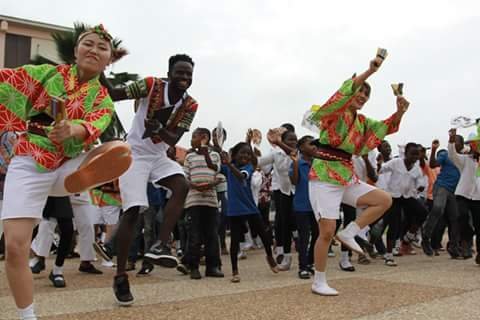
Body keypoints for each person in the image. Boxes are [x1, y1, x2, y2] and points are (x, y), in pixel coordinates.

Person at [0, 24, 132, 320]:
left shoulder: (103, 100)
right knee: (15, 246)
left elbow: (92, 125)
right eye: (88, 43)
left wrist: (72, 129)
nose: (93, 50)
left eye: (102, 47)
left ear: (109, 59)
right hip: (29, 158)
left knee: (118, 149)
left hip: (68, 163)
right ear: (75, 50)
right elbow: (8, 82)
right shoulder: (47, 74)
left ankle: (79, 179)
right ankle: (27, 315)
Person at [304, 53, 409, 295]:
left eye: (366, 95)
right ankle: (319, 280)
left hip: (346, 174)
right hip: (323, 175)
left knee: (383, 200)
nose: (362, 96)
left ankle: (350, 231)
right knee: (326, 232)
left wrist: (400, 112)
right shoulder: (335, 112)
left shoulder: (361, 122)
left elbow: (384, 127)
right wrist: (370, 71)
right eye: (359, 91)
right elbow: (339, 96)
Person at [102, 54, 197, 306]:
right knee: (133, 210)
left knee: (182, 185)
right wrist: (100, 68)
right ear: (169, 72)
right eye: (180, 72)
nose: (184, 78)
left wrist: (158, 129)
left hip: (157, 156)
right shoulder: (151, 84)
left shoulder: (191, 105)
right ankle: (120, 276)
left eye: (188, 74)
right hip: (133, 154)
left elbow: (173, 139)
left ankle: (160, 245)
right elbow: (114, 94)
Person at [221, 142, 279, 283]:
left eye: (248, 153)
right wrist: (211, 149)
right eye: (242, 153)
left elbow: (241, 176)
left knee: (264, 235)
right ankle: (235, 270)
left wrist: (229, 164)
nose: (245, 156)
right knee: (234, 241)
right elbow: (213, 166)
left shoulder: (248, 168)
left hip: (250, 208)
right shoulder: (226, 168)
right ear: (234, 155)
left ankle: (269, 255)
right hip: (234, 209)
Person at [180, 127, 223, 279]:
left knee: (212, 234)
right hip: (194, 200)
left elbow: (216, 170)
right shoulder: (189, 157)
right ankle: (193, 267)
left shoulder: (215, 155)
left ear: (204, 137)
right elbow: (184, 177)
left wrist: (206, 154)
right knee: (194, 234)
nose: (192, 140)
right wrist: (195, 186)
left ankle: (213, 266)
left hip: (210, 200)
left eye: (194, 136)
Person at [377, 143, 428, 265]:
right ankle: (389, 255)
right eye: (412, 154)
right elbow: (382, 169)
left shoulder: (416, 168)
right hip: (394, 197)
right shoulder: (396, 162)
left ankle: (408, 236)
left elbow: (420, 181)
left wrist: (420, 187)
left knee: (423, 212)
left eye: (417, 154)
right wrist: (379, 165)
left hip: (407, 196)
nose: (415, 157)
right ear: (406, 154)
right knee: (394, 224)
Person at [422, 137, 462, 258]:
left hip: (454, 191)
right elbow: (433, 164)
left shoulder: (463, 157)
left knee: (455, 218)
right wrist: (434, 150)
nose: (455, 145)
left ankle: (454, 248)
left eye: (458, 143)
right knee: (438, 208)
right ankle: (425, 237)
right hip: (441, 187)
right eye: (453, 142)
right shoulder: (445, 154)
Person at [447, 128, 480, 263]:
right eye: (472, 143)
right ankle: (466, 242)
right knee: (462, 216)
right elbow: (452, 155)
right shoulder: (465, 160)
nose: (474, 145)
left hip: (478, 197)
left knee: (479, 226)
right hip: (463, 194)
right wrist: (451, 140)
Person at [289, 135, 319, 279]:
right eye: (310, 144)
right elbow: (294, 181)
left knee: (318, 234)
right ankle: (302, 266)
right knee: (304, 237)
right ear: (301, 147)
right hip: (302, 205)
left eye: (315, 144)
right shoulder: (298, 163)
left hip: (317, 205)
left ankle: (310, 262)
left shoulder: (318, 163)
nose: (314, 146)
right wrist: (295, 163)